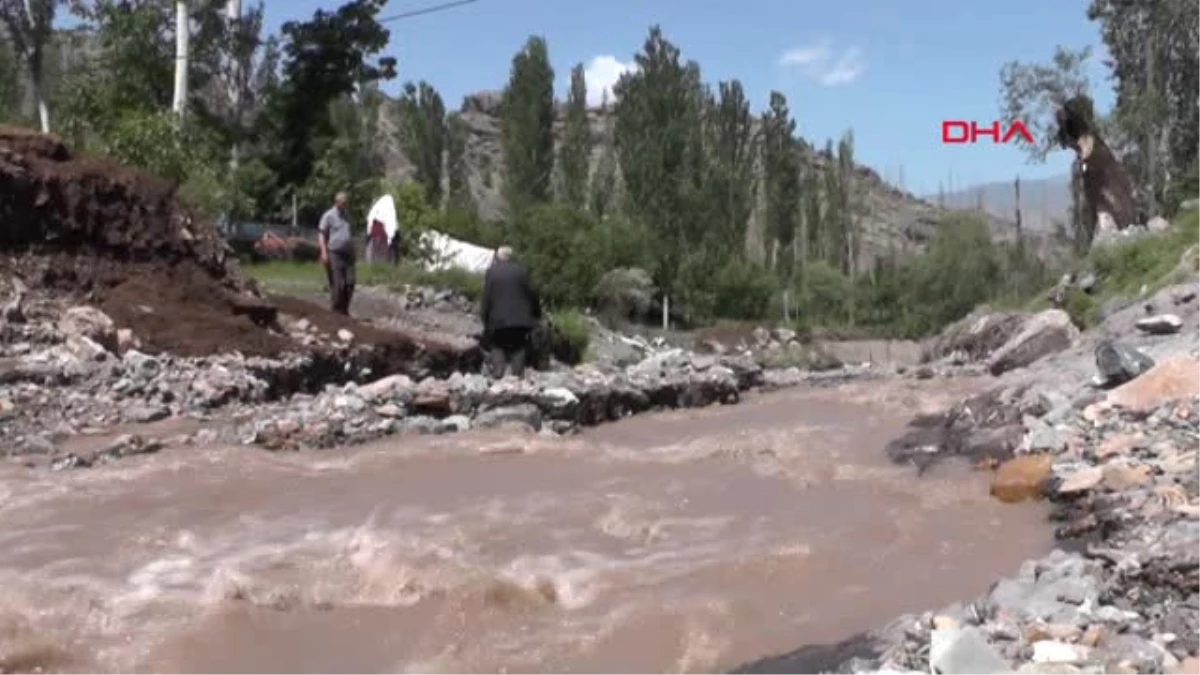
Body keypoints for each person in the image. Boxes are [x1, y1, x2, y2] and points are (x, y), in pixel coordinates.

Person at [480, 245, 541, 378]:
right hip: (521, 320)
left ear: (498, 257)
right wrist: (536, 315)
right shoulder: (522, 271)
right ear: (511, 257)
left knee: (497, 345)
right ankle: (517, 379)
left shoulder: (491, 272)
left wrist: (484, 318)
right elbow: (533, 294)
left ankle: (498, 376)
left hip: (498, 321)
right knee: (518, 346)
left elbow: (487, 297)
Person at [318, 192, 356, 315]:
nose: (345, 205)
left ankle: (344, 310)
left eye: (346, 203)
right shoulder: (328, 216)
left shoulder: (348, 216)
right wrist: (324, 252)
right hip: (334, 253)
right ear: (337, 202)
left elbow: (350, 235)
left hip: (348, 254)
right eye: (343, 203)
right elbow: (321, 234)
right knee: (338, 284)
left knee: (350, 283)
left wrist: (353, 251)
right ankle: (335, 311)